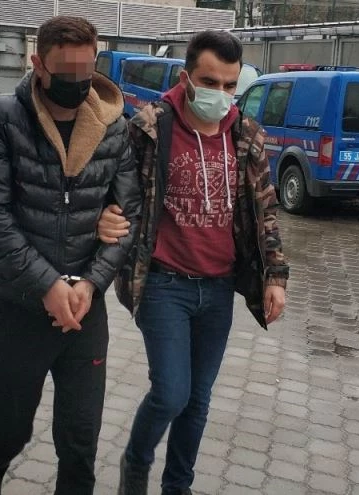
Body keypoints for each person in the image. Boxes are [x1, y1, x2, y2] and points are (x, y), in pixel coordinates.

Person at [96, 31, 290, 495]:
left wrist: (275, 276)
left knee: (198, 401)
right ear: (186, 78)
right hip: (163, 283)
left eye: (230, 85)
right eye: (210, 82)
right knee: (171, 393)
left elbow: (265, 208)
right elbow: (111, 188)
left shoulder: (246, 135)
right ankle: (136, 462)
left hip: (218, 287)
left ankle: (177, 486)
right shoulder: (148, 127)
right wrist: (104, 216)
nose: (220, 94)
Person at [0, 15, 142, 495]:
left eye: (88, 70)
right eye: (66, 73)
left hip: (84, 310)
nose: (79, 83)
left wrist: (92, 282)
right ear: (37, 64)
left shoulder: (113, 126)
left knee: (80, 443)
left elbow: (128, 216)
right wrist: (46, 285)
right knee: (5, 434)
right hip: (15, 308)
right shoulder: (0, 119)